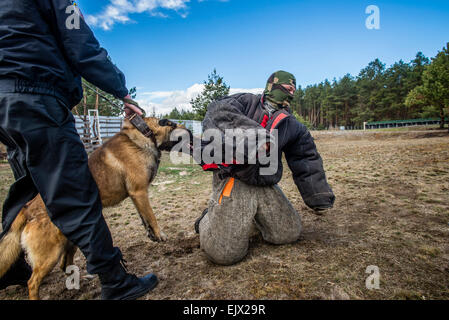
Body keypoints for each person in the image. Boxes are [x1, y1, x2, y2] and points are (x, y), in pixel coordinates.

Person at [0, 0, 158, 300]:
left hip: (5, 104)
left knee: (29, 191)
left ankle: (11, 267)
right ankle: (115, 281)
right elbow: (81, 43)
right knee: (78, 194)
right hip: (36, 99)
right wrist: (121, 90)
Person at [195, 71, 335, 265]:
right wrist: (256, 137)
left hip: (265, 182)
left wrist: (318, 195)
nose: (291, 91)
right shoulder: (245, 101)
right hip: (235, 177)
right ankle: (207, 220)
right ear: (271, 86)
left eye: (294, 88)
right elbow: (218, 114)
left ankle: (250, 217)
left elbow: (306, 158)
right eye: (287, 87)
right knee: (225, 253)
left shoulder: (291, 125)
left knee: (288, 233)